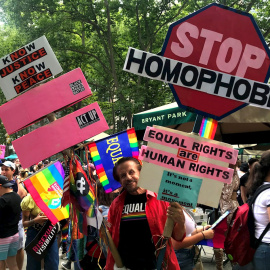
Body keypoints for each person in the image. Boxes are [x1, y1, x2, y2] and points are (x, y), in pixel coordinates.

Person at [106, 157, 185, 270]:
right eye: (123, 176)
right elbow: (112, 239)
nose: (128, 177)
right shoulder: (116, 205)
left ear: (141, 172)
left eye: (131, 172)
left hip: (159, 266)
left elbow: (178, 237)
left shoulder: (161, 199)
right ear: (120, 181)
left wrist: (181, 221)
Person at [21, 193, 59, 270]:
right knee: (33, 264)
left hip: (50, 232)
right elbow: (24, 223)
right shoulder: (29, 199)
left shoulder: (55, 195)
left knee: (52, 264)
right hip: (34, 234)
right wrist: (35, 220)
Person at [1, 161, 26, 270]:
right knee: (11, 262)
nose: (4, 171)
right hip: (12, 231)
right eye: (3, 169)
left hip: (7, 232)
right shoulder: (14, 195)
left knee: (2, 262)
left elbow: (22, 194)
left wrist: (19, 182)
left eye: (7, 169)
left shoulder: (3, 200)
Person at [0, 175, 22, 270]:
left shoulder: (3, 200)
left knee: (1, 263)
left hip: (3, 237)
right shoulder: (16, 196)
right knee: (13, 264)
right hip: (14, 234)